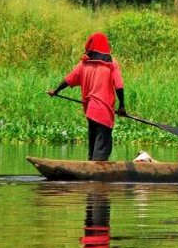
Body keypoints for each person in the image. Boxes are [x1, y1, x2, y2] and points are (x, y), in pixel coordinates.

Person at [47, 32, 127, 161]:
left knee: (93, 149)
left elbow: (68, 80)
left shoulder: (84, 64)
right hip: (104, 113)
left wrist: (55, 91)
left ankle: (90, 172)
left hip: (90, 112)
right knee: (101, 150)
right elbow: (119, 86)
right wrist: (122, 105)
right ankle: (96, 175)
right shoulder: (112, 64)